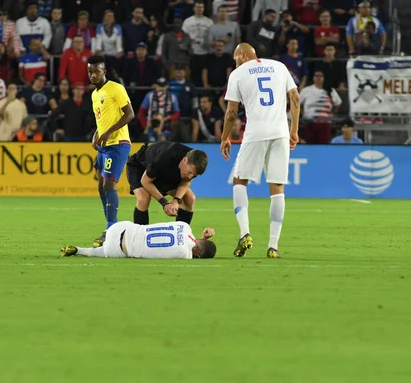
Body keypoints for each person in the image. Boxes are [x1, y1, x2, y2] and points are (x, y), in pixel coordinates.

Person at [220, 42, 301, 259]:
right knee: (277, 188)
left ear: (244, 55)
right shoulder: (279, 66)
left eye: (235, 58)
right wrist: (294, 131)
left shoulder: (238, 73)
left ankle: (245, 233)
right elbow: (295, 98)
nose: (234, 62)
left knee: (239, 181)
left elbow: (231, 113)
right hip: (280, 133)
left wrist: (224, 136)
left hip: (255, 132)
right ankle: (273, 246)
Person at [88, 54, 135, 247]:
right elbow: (103, 118)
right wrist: (97, 133)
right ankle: (110, 226)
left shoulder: (116, 88)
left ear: (104, 72)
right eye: (90, 71)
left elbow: (129, 114)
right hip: (104, 145)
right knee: (100, 186)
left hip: (118, 143)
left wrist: (107, 133)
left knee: (109, 185)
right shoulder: (94, 94)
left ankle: (111, 229)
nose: (93, 75)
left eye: (97, 71)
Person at [126, 142, 208, 226]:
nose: (190, 177)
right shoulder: (166, 156)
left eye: (194, 175)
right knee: (144, 198)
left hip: (162, 174)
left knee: (190, 198)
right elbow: (145, 181)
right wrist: (164, 203)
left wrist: (176, 200)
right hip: (139, 167)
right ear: (184, 160)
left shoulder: (193, 160)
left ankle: (180, 236)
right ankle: (140, 237)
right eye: (190, 172)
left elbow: (185, 182)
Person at [61, 221, 217, 259]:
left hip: (120, 227)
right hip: (117, 250)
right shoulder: (185, 255)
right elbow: (190, 249)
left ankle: (105, 234)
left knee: (134, 227)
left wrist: (203, 238)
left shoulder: (184, 225)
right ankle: (81, 250)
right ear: (198, 257)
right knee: (99, 252)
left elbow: (189, 240)